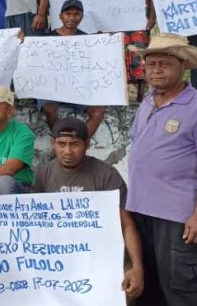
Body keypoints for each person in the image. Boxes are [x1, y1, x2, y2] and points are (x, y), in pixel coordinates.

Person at [126, 34, 197, 306]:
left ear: (182, 66)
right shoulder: (147, 103)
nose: (156, 70)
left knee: (182, 292)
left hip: (178, 218)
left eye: (164, 64)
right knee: (148, 291)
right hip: (141, 214)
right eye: (151, 65)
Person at [33, 118, 144, 300]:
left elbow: (126, 224)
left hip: (101, 254)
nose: (67, 151)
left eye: (75, 144)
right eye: (61, 144)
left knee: (124, 289)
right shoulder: (44, 174)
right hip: (59, 256)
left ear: (87, 144)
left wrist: (137, 267)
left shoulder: (106, 174)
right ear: (54, 144)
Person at [37, 0, 106, 137]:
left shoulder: (86, 39)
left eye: (76, 14)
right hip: (52, 87)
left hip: (76, 86)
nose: (72, 18)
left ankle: (79, 142)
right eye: (68, 14)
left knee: (98, 111)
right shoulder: (47, 38)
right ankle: (60, 141)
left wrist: (105, 43)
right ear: (60, 16)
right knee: (49, 109)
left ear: (82, 16)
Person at [118, 0, 156, 101]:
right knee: (121, 53)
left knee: (140, 53)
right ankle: (123, 94)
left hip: (141, 18)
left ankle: (141, 96)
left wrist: (153, 17)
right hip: (120, 19)